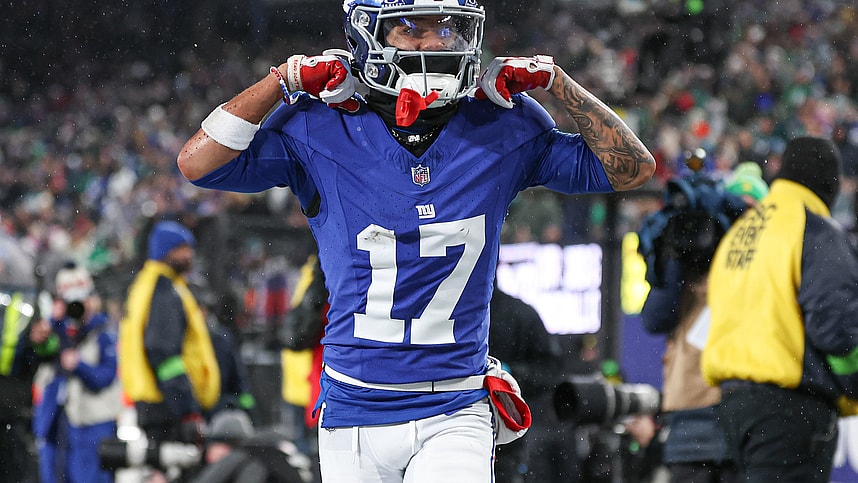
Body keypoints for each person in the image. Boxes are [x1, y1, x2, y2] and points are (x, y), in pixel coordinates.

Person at [176, 0, 655, 480]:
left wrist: (558, 83)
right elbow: (198, 163)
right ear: (367, 35)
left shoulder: (502, 123)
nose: (432, 44)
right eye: (410, 28)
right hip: (354, 405)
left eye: (446, 29)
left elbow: (632, 169)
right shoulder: (320, 125)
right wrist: (282, 80)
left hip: (456, 402)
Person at [702, 136, 858, 482]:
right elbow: (836, 327)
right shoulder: (812, 229)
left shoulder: (741, 232)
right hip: (788, 408)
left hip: (733, 405)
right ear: (829, 183)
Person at [639, 164, 768, 483]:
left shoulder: (766, 266)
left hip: (743, 417)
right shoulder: (688, 271)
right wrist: (675, 257)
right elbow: (654, 319)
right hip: (692, 425)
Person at [118, 220, 220, 446]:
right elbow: (162, 352)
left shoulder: (146, 284)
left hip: (154, 402)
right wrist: (186, 410)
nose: (188, 255)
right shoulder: (164, 290)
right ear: (165, 252)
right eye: (181, 249)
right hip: (167, 408)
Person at [30, 262, 123, 483]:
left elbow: (105, 377)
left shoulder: (102, 332)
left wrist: (79, 365)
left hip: (92, 424)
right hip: (56, 421)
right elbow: (41, 356)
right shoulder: (56, 329)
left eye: (81, 298)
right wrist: (52, 325)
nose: (77, 306)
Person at [487, 284, 570, 483]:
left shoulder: (519, 314)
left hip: (509, 441)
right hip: (451, 429)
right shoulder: (446, 311)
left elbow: (551, 370)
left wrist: (512, 375)